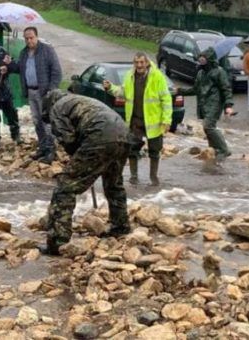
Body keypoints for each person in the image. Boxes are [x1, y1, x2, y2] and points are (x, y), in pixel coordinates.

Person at [38, 90, 130, 255]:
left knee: (65, 186)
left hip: (99, 136)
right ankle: (120, 226)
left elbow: (68, 139)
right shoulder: (80, 99)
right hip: (123, 134)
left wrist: (75, 155)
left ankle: (57, 242)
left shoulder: (57, 108)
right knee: (113, 182)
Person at [103, 52, 172, 186]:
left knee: (154, 151)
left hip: (153, 121)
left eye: (142, 62)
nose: (139, 65)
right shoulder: (129, 76)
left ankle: (153, 177)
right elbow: (123, 92)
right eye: (136, 62)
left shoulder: (157, 77)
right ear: (134, 63)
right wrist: (110, 88)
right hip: (135, 120)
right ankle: (134, 177)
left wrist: (167, 120)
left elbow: (166, 99)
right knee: (132, 149)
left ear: (146, 63)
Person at [174, 48, 235, 162]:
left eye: (204, 59)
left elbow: (226, 89)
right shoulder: (201, 73)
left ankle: (224, 149)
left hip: (215, 103)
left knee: (208, 126)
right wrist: (180, 91)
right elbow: (196, 89)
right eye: (200, 59)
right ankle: (213, 150)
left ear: (210, 60)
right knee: (207, 129)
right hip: (203, 104)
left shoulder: (219, 72)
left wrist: (228, 105)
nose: (201, 61)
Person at [18, 26, 62, 164]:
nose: (29, 40)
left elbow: (57, 72)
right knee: (37, 121)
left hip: (45, 93)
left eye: (31, 37)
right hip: (31, 91)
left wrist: (51, 90)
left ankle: (51, 151)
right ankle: (42, 147)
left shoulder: (47, 50)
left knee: (47, 121)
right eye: (26, 38)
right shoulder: (23, 53)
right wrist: (8, 65)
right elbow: (19, 68)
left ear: (36, 36)